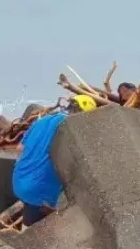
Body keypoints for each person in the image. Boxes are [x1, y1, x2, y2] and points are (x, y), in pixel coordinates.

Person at [12, 94, 97, 226]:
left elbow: (19, 148)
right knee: (38, 232)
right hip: (40, 193)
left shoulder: (42, 120)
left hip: (19, 181)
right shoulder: (70, 129)